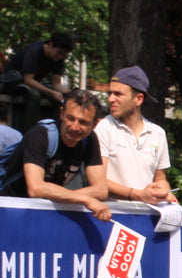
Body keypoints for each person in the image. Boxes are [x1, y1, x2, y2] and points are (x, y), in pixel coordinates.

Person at [1, 89, 110, 221]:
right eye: (70, 118)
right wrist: (84, 199)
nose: (75, 127)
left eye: (83, 122)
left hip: (44, 212)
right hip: (11, 209)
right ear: (62, 113)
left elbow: (101, 189)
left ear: (95, 124)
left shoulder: (90, 140)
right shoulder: (40, 135)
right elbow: (36, 188)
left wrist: (64, 196)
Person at [96, 66, 175, 206]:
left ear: (138, 99)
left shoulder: (157, 134)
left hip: (147, 215)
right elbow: (97, 180)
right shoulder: (103, 129)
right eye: (110, 93)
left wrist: (164, 191)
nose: (110, 99)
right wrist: (137, 195)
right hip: (112, 214)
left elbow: (160, 178)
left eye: (118, 94)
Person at [1, 31, 73, 125]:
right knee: (34, 95)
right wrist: (51, 92)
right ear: (50, 45)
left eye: (63, 54)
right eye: (58, 52)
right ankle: (30, 129)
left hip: (32, 84)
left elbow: (56, 84)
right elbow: (28, 80)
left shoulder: (58, 59)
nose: (60, 56)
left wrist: (68, 93)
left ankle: (56, 127)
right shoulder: (34, 51)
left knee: (59, 98)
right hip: (17, 83)